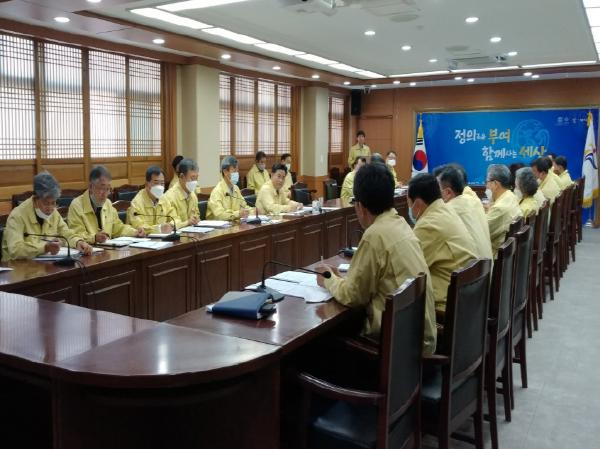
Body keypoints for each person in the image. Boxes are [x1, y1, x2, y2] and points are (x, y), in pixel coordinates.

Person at [316, 163, 437, 355]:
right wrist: (343, 280)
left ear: (360, 206)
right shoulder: (401, 223)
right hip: (419, 341)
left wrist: (328, 278)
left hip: (396, 352)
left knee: (318, 342)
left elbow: (353, 297)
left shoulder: (375, 235)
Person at [407, 173, 478, 314]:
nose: (409, 207)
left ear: (418, 203)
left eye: (408, 202)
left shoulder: (428, 225)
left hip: (448, 307)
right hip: (468, 299)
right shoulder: (446, 210)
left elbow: (409, 269)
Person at [2, 172, 92, 261]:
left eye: (53, 203)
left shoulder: (54, 213)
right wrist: (44, 248)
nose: (50, 208)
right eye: (46, 203)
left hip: (44, 264)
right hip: (17, 267)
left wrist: (78, 242)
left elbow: (66, 233)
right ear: (35, 198)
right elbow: (15, 250)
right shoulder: (17, 215)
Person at [68, 166, 144, 244]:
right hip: (88, 249)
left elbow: (118, 228)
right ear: (90, 187)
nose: (105, 194)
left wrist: (134, 232)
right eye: (101, 188)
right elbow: (75, 235)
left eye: (108, 189)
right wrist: (94, 238)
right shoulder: (77, 205)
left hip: (107, 249)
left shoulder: (107, 203)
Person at [437, 165, 493, 260]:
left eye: (437, 189)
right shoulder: (473, 200)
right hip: (486, 265)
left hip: (474, 267)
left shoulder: (448, 210)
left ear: (448, 192)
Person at [485, 164, 523, 256]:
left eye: (487, 182)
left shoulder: (499, 208)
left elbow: (480, 233)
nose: (486, 186)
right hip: (509, 255)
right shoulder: (511, 196)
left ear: (496, 184)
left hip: (494, 257)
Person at [127, 166, 176, 234]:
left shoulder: (164, 198)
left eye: (162, 183)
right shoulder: (136, 202)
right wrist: (159, 229)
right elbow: (139, 226)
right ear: (147, 184)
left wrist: (171, 225)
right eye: (156, 183)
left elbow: (175, 218)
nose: (160, 187)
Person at [207, 156, 251, 221]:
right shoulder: (217, 191)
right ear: (225, 172)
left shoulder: (236, 188)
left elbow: (244, 206)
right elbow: (219, 215)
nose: (237, 174)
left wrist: (253, 211)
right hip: (217, 226)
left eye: (237, 171)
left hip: (233, 223)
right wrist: (237, 214)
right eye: (234, 171)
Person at [163, 158, 201, 228]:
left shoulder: (193, 195)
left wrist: (196, 219)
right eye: (192, 178)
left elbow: (197, 215)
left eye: (196, 178)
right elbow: (173, 223)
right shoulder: (169, 197)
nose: (195, 182)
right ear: (182, 176)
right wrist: (188, 222)